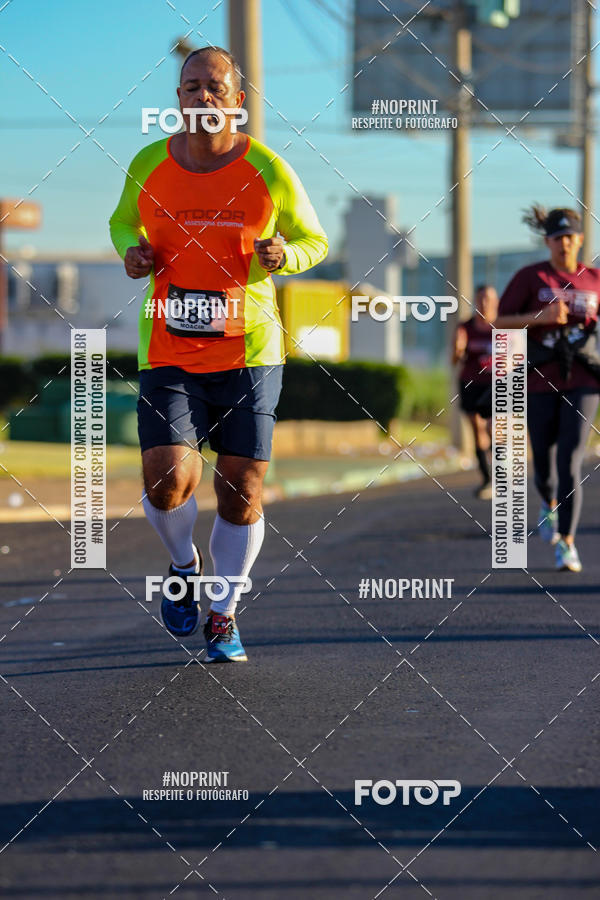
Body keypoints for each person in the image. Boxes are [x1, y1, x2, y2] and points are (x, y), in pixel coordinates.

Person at [109, 46, 328, 659]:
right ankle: (183, 565)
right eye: (190, 87)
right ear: (177, 98)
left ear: (237, 100)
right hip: (170, 346)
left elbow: (315, 238)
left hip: (250, 349)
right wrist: (133, 252)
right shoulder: (148, 163)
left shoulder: (269, 166)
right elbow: (123, 222)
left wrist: (287, 255)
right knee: (167, 479)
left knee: (242, 486)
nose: (202, 97)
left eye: (214, 87)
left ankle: (224, 613)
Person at [495, 206, 600, 572]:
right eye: (557, 238)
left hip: (584, 380)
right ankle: (548, 502)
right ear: (548, 242)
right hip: (540, 378)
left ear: (580, 239)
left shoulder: (594, 279)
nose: (564, 243)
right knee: (544, 461)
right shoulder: (531, 276)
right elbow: (497, 322)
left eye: (570, 236)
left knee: (570, 459)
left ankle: (567, 544)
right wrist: (537, 319)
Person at [452, 285, 498, 499]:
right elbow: (454, 362)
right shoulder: (465, 327)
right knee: (477, 429)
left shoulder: (503, 325)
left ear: (496, 301)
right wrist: (457, 350)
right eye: (480, 299)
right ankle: (487, 480)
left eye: (488, 298)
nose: (484, 303)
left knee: (492, 427)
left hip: (495, 384)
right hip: (471, 383)